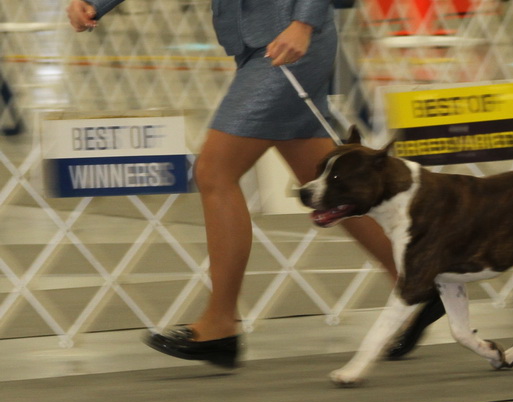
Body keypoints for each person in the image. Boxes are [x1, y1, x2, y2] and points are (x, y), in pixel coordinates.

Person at [65, 0, 423, 368]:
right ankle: (417, 283)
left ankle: (220, 325)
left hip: (292, 40)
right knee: (331, 188)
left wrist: (304, 23)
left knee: (214, 172)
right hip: (263, 44)